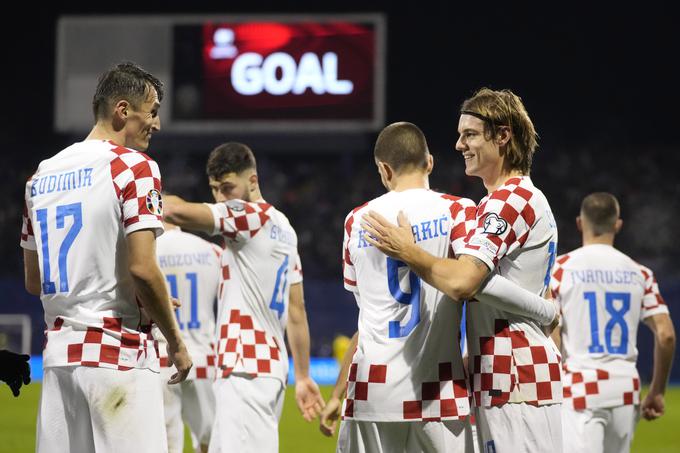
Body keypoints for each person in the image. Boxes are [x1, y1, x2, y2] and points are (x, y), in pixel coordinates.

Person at [322, 121, 559, 452]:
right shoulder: (460, 211)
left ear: (383, 169)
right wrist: (544, 308)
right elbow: (472, 280)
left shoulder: (356, 220)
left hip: (369, 392)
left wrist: (337, 392)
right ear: (429, 162)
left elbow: (368, 319)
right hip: (439, 394)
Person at [20, 62, 192, 453]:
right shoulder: (133, 167)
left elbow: (34, 280)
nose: (157, 123)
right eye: (152, 111)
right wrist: (176, 342)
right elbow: (143, 269)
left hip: (59, 359)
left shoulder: (40, 177)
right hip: (119, 354)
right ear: (122, 110)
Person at [163, 142, 325, 453]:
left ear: (252, 181)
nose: (221, 198)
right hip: (269, 368)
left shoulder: (247, 216)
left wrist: (136, 190)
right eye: (214, 189)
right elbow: (296, 309)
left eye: (227, 188)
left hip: (244, 367)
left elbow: (172, 210)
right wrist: (302, 376)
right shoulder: (284, 227)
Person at [550, 192, 676, 453]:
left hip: (580, 388)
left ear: (580, 223)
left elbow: (552, 328)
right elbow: (666, 336)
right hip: (625, 390)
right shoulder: (641, 273)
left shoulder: (560, 269)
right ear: (617, 224)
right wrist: (657, 391)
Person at [154, 217, 222, 453]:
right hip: (204, 357)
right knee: (210, 442)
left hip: (162, 358)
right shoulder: (212, 251)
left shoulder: (145, 249)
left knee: (164, 442)